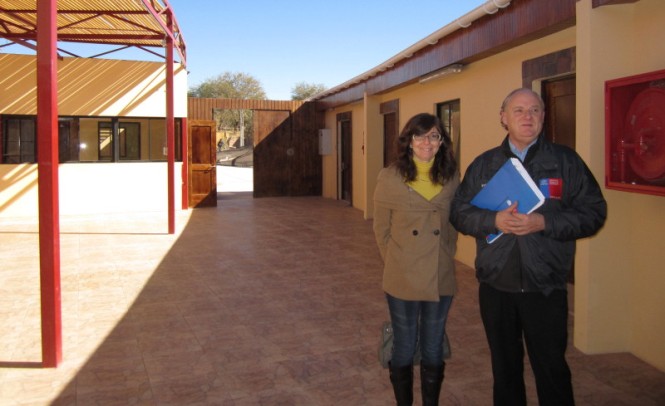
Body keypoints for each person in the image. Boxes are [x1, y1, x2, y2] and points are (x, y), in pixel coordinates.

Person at [450, 88, 607, 406]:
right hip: (496, 286)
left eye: (535, 110)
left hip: (546, 288)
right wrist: (493, 220)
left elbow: (594, 213)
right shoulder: (484, 165)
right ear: (503, 117)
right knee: (504, 371)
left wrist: (544, 224)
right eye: (519, 110)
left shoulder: (565, 162)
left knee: (552, 370)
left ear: (544, 117)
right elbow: (459, 213)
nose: (527, 116)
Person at [373, 113, 459, 405]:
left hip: (439, 274)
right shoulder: (390, 176)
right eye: (420, 136)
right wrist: (396, 261)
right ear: (409, 141)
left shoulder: (450, 176)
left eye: (434, 136)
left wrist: (446, 254)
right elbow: (381, 228)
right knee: (405, 346)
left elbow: (451, 227)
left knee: (434, 346)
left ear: (441, 142)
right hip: (402, 276)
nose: (427, 142)